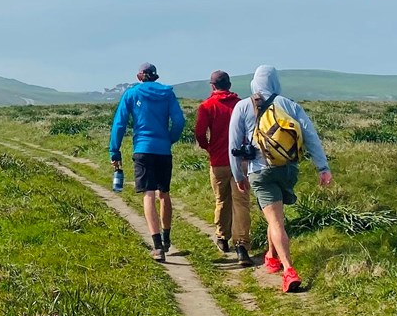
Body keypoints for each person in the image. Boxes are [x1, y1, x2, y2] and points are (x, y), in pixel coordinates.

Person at [229, 66, 333, 293]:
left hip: (260, 170)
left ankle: (288, 270)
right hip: (288, 170)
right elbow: (310, 136)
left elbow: (233, 145)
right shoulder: (290, 105)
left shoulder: (243, 106)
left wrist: (238, 175)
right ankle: (271, 257)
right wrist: (323, 167)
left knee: (275, 220)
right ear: (275, 82)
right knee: (276, 216)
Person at [110, 62, 186, 262]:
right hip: (163, 151)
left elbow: (119, 123)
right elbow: (179, 121)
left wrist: (114, 150)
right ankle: (167, 237)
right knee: (164, 194)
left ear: (139, 76)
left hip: (143, 149)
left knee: (148, 195)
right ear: (155, 77)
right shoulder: (168, 93)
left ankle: (157, 246)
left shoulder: (131, 94)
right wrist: (170, 138)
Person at [195, 70, 254, 267]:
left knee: (222, 200)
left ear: (212, 86)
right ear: (229, 84)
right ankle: (242, 245)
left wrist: (208, 147)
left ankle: (222, 236)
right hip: (242, 160)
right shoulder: (243, 105)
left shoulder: (207, 106)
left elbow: (200, 133)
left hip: (219, 160)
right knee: (241, 203)